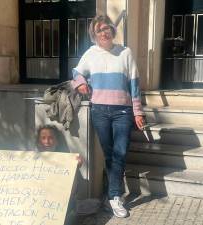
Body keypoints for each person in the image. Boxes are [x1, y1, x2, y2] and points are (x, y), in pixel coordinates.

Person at [71, 15, 145, 218]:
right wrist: (81, 83)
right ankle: (112, 193)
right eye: (98, 30)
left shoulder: (125, 52)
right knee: (110, 154)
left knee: (120, 153)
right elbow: (76, 71)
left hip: (123, 112)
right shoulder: (91, 53)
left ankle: (114, 196)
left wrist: (138, 112)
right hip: (100, 111)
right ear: (94, 35)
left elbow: (134, 84)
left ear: (112, 30)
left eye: (106, 28)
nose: (103, 32)